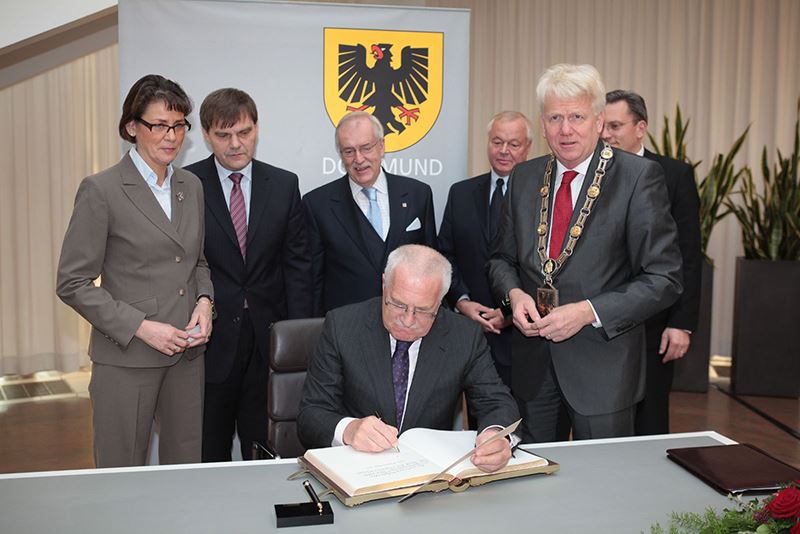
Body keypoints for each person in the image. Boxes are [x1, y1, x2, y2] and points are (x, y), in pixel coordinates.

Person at [488, 64, 683, 443]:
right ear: (542, 125)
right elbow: (500, 260)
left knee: (603, 477)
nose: (566, 130)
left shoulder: (637, 177)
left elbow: (664, 278)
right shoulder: (524, 177)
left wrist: (588, 312)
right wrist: (514, 295)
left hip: (603, 371)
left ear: (598, 121)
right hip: (533, 368)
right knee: (535, 475)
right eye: (555, 118)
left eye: (577, 117)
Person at [57, 74, 213, 467]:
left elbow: (196, 261)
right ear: (131, 127)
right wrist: (141, 326)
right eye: (159, 125)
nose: (171, 136)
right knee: (120, 474)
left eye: (179, 125)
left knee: (185, 471)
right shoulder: (102, 189)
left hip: (186, 357)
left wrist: (205, 302)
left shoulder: (191, 185)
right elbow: (72, 282)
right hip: (127, 358)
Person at [298, 245, 519, 473]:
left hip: (430, 476)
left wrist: (496, 436)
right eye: (398, 304)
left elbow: (496, 401)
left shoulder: (464, 336)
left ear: (440, 301)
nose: (408, 320)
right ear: (384, 284)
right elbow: (311, 414)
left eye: (422, 310)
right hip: (357, 470)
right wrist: (349, 429)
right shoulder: (342, 326)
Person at [185, 88, 312, 461]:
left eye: (244, 132)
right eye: (223, 135)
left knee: (266, 448)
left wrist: (297, 339)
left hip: (268, 343)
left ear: (257, 128)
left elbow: (298, 266)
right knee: (210, 449)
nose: (235, 144)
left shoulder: (284, 185)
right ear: (206, 135)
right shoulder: (187, 185)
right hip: (209, 342)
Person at [603, 89, 702, 435]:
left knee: (650, 416)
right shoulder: (590, 175)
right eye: (603, 126)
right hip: (600, 320)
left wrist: (681, 323)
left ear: (640, 127)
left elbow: (689, 253)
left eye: (615, 126)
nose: (606, 135)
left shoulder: (673, 175)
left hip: (653, 323)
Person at [303, 112, 436, 316]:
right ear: (340, 154)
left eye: (366, 148)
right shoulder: (317, 204)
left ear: (381, 146)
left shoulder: (418, 194)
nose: (359, 159)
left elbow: (431, 265)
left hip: (408, 321)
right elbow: (313, 281)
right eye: (349, 151)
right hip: (346, 323)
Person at [438, 111, 533, 389]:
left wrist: (509, 312)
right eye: (497, 142)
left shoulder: (541, 198)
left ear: (528, 147)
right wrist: (461, 301)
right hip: (470, 333)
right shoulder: (460, 193)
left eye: (513, 144)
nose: (503, 151)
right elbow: (445, 255)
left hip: (523, 339)